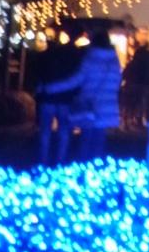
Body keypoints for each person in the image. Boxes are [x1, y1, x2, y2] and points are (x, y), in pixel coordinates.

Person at [41, 28, 120, 160]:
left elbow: (76, 80)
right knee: (100, 142)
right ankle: (97, 168)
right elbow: (116, 82)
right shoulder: (114, 61)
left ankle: (83, 167)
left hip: (90, 105)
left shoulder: (91, 58)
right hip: (107, 107)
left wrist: (53, 88)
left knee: (86, 141)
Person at [34, 30, 79, 165]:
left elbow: (38, 78)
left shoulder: (43, 58)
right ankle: (61, 159)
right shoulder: (68, 60)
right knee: (64, 131)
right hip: (64, 98)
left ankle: (43, 159)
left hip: (47, 97)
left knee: (45, 131)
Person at [120, 39, 149, 131]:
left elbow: (124, 75)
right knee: (139, 104)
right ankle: (138, 121)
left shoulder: (132, 64)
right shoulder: (146, 65)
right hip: (141, 86)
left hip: (131, 86)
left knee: (129, 105)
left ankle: (126, 122)